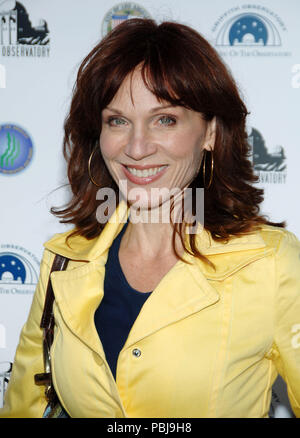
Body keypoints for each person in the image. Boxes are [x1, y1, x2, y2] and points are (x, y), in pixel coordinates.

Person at [1, 18, 299, 418]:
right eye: (117, 120)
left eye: (165, 119)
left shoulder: (271, 263)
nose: (137, 147)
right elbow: (23, 408)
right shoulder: (65, 259)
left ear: (209, 132)